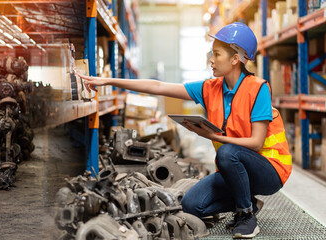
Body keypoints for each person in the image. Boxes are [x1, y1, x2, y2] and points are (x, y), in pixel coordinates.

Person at [75, 22, 292, 239]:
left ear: (235, 59)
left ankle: (246, 216)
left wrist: (212, 136)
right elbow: (158, 87)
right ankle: (248, 202)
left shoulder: (258, 89)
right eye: (211, 53)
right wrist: (109, 81)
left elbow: (256, 142)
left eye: (216, 54)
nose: (211, 59)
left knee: (227, 152)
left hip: (270, 170)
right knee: (191, 205)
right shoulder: (211, 88)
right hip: (236, 169)